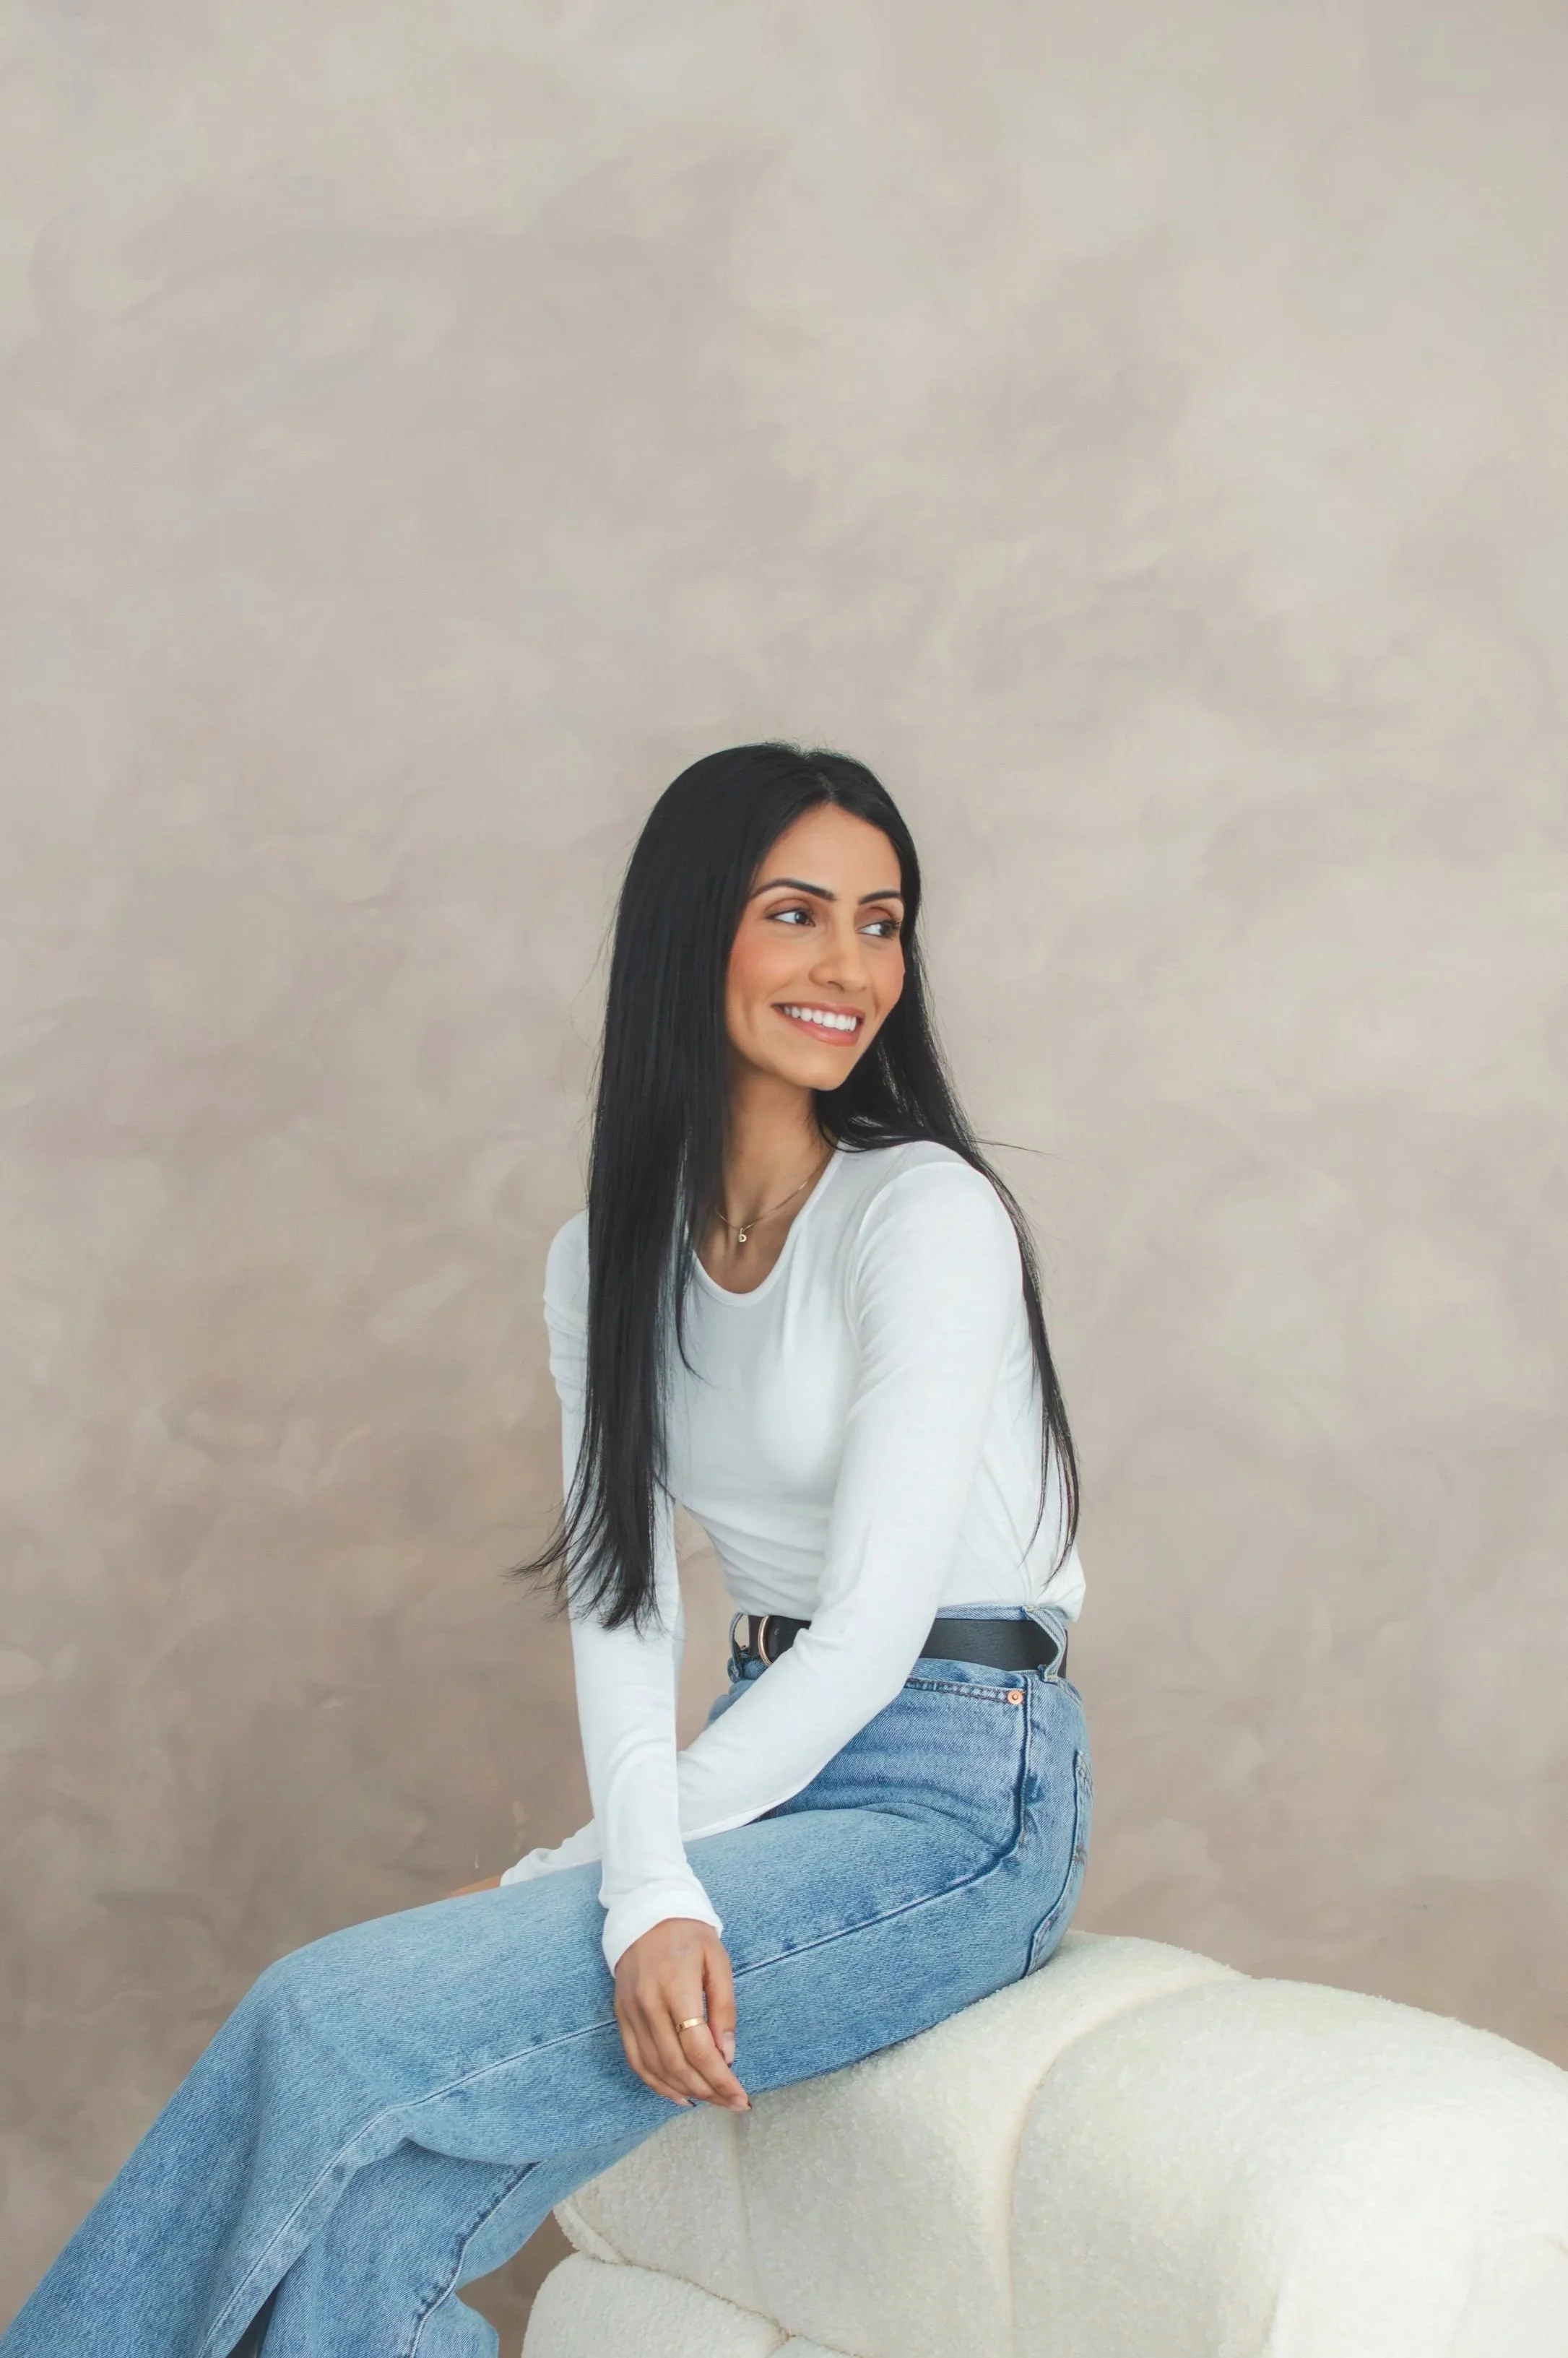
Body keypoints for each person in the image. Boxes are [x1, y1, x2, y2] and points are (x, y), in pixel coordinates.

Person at [1, 744, 1092, 2358]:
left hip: (957, 1797)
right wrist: (633, 1860)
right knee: (368, 2225)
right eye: (797, 914)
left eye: (881, 921)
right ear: (689, 932)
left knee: (323, 2019)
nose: (848, 966)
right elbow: (622, 1599)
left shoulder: (921, 1213)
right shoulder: (607, 1256)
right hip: (763, 1755)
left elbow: (869, 1629)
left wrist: (625, 1870)